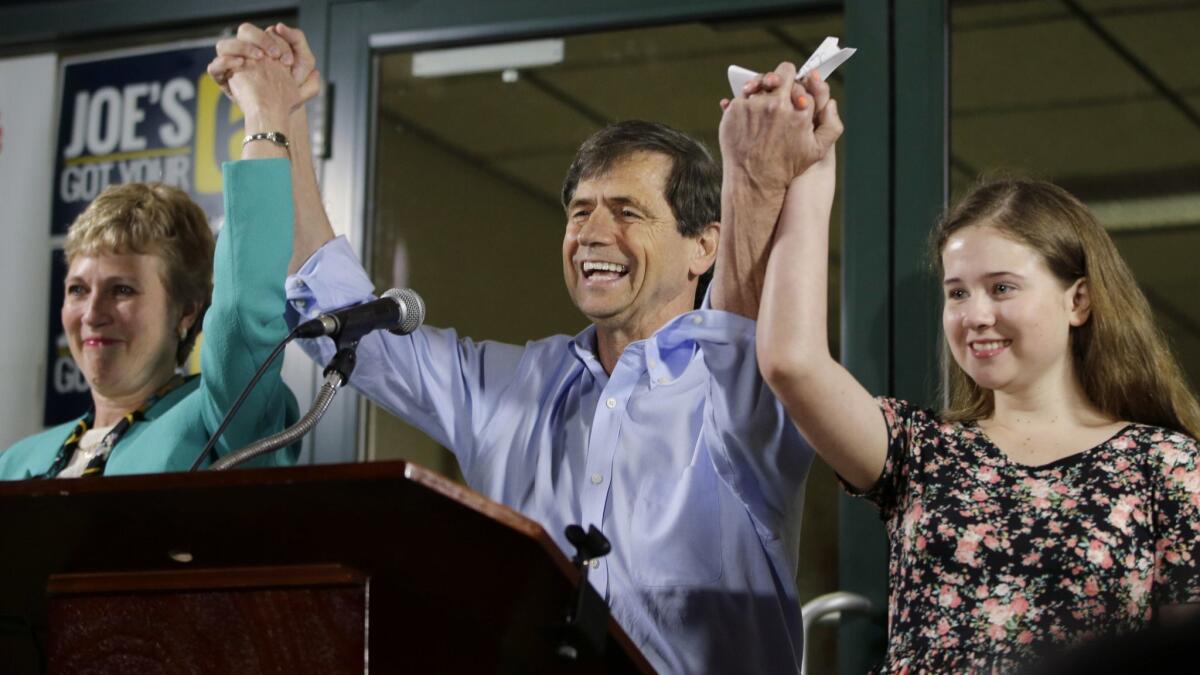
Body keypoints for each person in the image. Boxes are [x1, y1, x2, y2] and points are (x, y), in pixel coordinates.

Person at [208, 23, 836, 674]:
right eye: (580, 211)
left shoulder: (742, 387)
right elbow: (339, 320)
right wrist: (283, 116)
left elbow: (739, 330)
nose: (592, 233)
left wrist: (755, 178)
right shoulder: (513, 384)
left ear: (702, 247)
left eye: (627, 211)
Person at [753, 81, 1200, 671]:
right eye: (957, 292)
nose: (975, 315)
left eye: (1003, 288)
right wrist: (809, 171)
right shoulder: (922, 450)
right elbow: (791, 362)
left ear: (1078, 302)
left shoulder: (1167, 466)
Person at [0, 63, 303, 478]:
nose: (92, 313)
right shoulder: (18, 463)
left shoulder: (218, 421)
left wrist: (265, 115)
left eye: (121, 290)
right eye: (77, 290)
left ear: (186, 311)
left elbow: (242, 315)